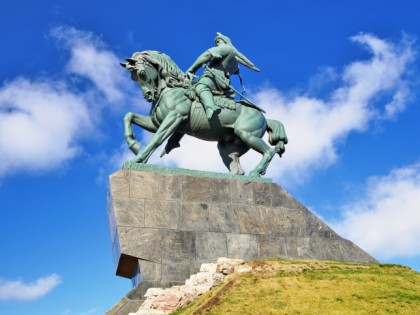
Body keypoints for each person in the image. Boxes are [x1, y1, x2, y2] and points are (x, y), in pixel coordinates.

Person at [186, 32, 260, 119]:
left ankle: (210, 107)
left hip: (214, 77)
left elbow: (206, 55)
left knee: (201, 86)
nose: (217, 43)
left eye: (218, 41)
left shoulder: (224, 48)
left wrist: (191, 70)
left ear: (223, 41)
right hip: (225, 82)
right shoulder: (234, 56)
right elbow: (236, 71)